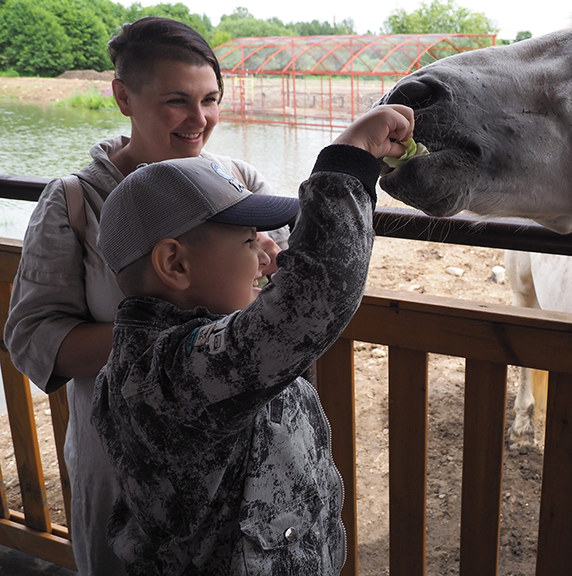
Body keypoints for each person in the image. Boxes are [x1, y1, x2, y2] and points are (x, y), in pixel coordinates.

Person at [3, 17, 285, 576]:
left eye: (210, 99)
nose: (198, 119)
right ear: (123, 96)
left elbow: (291, 288)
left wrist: (278, 269)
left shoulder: (241, 182)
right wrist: (181, 344)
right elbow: (34, 341)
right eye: (176, 100)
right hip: (122, 465)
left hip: (237, 457)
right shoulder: (75, 202)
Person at [91, 104, 414, 574]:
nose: (270, 251)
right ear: (175, 264)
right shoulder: (170, 374)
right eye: (248, 239)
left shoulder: (181, 350)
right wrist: (348, 160)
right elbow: (312, 302)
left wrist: (357, 181)